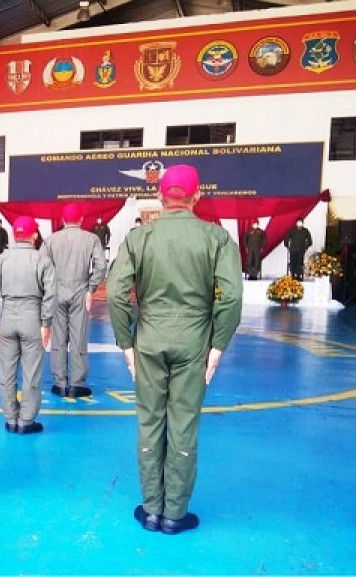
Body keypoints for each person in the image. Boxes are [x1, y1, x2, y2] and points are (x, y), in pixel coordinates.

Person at [106, 164, 242, 535]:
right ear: (197, 196)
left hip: (149, 339)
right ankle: (175, 514)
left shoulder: (138, 238)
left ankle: (151, 509)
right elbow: (230, 297)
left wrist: (126, 344)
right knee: (183, 424)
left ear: (161, 198)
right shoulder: (216, 239)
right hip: (194, 341)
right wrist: (217, 346)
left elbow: (117, 294)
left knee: (150, 422)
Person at [0, 216, 55, 434]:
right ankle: (26, 421)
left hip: (7, 317)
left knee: (6, 372)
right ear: (34, 235)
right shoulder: (42, 260)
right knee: (31, 373)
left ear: (14, 235)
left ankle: (10, 417)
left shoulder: (1, 260)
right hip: (32, 316)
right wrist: (46, 323)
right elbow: (50, 294)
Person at [40, 203, 107, 398]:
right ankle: (77, 384)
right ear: (81, 220)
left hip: (57, 291)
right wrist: (91, 288)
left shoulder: (51, 240)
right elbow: (101, 267)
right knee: (78, 337)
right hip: (80, 290)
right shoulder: (91, 239)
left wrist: (48, 289)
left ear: (62, 220)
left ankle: (60, 383)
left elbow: (42, 267)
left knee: (58, 338)